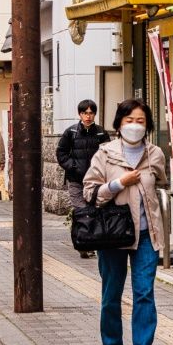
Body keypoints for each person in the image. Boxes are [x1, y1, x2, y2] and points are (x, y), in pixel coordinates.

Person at [84, 99, 169, 345]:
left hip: (146, 235)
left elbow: (161, 183)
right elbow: (90, 191)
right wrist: (119, 183)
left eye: (141, 121)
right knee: (112, 293)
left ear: (148, 126)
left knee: (144, 292)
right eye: (129, 120)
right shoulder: (105, 154)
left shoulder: (155, 154)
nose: (135, 126)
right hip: (113, 235)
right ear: (119, 124)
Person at [57, 99, 111, 257]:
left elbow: (108, 154)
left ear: (94, 114)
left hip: (96, 181)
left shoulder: (101, 133)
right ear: (79, 114)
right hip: (76, 180)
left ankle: (92, 242)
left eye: (91, 113)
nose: (88, 116)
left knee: (94, 211)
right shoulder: (71, 132)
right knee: (81, 211)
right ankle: (82, 244)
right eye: (84, 113)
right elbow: (61, 153)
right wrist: (73, 166)